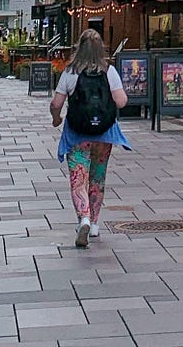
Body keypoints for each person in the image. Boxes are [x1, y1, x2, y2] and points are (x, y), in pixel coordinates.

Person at [50, 29, 130, 247]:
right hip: (104, 135)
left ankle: (83, 218)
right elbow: (122, 101)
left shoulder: (70, 72)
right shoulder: (109, 71)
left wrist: (56, 118)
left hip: (77, 135)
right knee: (97, 178)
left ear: (79, 48)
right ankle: (94, 224)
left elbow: (56, 104)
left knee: (79, 180)